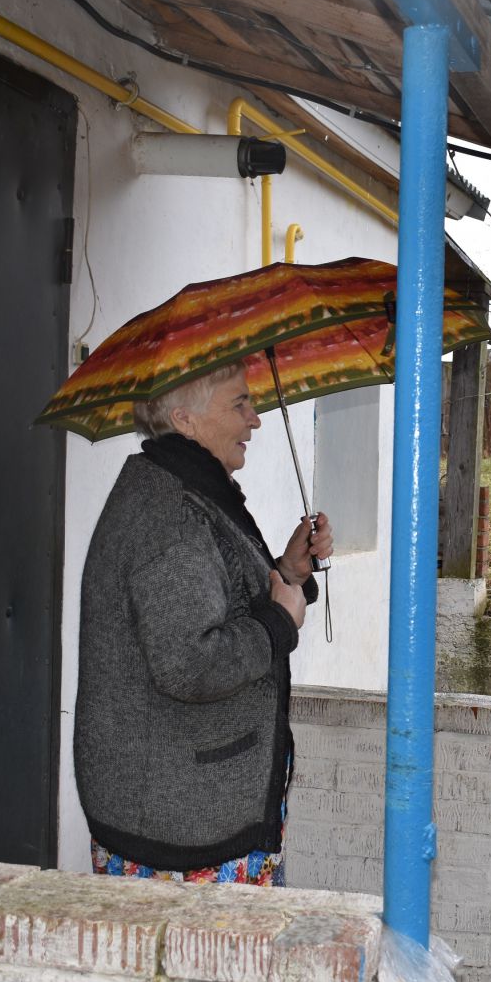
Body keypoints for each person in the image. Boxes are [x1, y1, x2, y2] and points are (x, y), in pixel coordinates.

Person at [74, 361, 332, 886]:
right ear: (184, 419)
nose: (255, 419)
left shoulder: (187, 490)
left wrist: (287, 572)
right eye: (239, 403)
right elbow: (190, 663)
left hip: (189, 816)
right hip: (182, 835)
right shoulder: (169, 514)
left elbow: (217, 601)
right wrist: (279, 623)